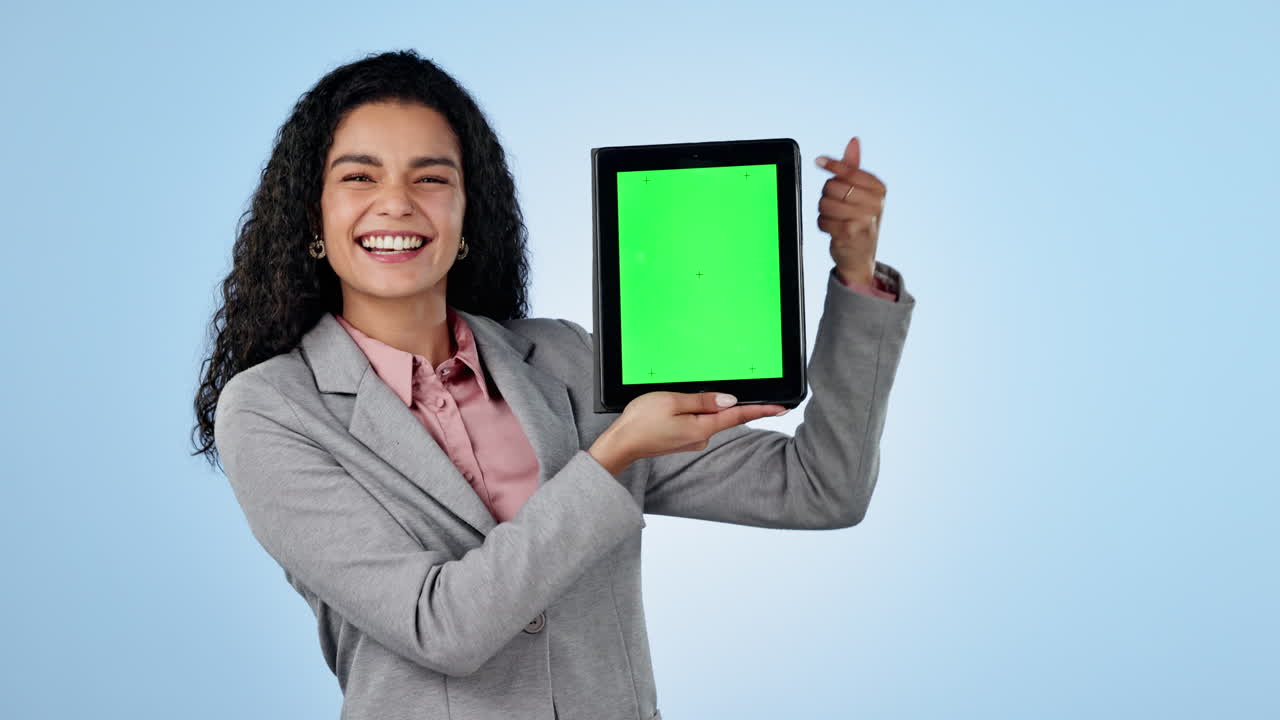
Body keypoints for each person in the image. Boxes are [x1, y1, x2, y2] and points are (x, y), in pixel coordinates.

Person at [191, 49, 915, 720]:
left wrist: (854, 276)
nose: (397, 202)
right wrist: (610, 459)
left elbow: (823, 488)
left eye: (431, 177)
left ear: (469, 211)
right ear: (313, 215)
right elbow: (439, 626)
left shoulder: (564, 359)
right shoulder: (272, 409)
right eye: (359, 176)